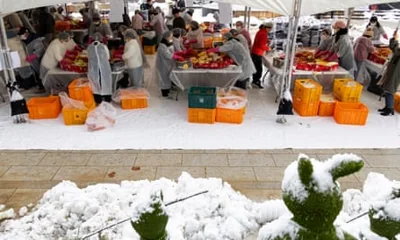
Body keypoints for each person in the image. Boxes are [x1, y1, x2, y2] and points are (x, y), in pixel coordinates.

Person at [378, 29, 400, 116]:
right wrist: (394, 38)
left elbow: (395, 50)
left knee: (389, 91)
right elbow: (394, 48)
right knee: (387, 90)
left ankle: (390, 108)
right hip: (393, 72)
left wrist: (395, 40)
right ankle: (387, 107)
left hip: (396, 74)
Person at [87, 33, 113, 104]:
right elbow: (108, 57)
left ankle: (97, 98)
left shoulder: (89, 47)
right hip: (103, 67)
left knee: (95, 83)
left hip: (93, 68)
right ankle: (107, 98)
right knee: (105, 81)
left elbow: (88, 57)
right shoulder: (103, 47)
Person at [155, 31, 181, 98]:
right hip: (163, 64)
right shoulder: (162, 45)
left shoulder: (168, 42)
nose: (171, 37)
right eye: (170, 36)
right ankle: (165, 94)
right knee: (164, 78)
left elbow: (171, 50)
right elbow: (167, 55)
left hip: (168, 63)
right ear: (166, 37)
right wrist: (175, 55)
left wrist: (176, 54)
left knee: (167, 76)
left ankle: (168, 89)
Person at [251, 23, 273, 89]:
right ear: (268, 28)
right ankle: (256, 81)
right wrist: (268, 48)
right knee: (259, 68)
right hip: (258, 53)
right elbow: (261, 45)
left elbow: (259, 41)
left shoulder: (260, 31)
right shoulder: (263, 34)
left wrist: (267, 40)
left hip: (255, 51)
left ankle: (254, 80)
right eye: (270, 29)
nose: (270, 31)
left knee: (256, 67)